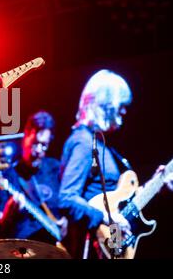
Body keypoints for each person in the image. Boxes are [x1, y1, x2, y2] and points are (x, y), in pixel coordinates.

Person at [58, 69, 171, 258]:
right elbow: (67, 198)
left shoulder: (103, 146)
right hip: (90, 249)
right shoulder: (83, 142)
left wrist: (156, 185)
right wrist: (107, 218)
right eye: (122, 105)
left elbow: (121, 206)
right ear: (105, 104)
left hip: (112, 245)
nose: (125, 111)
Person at [0, 111, 67, 245]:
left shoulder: (55, 168)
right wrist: (9, 213)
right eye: (35, 143)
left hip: (56, 249)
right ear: (26, 136)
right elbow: (0, 228)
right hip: (22, 248)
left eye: (44, 145)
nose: (38, 150)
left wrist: (67, 222)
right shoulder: (8, 177)